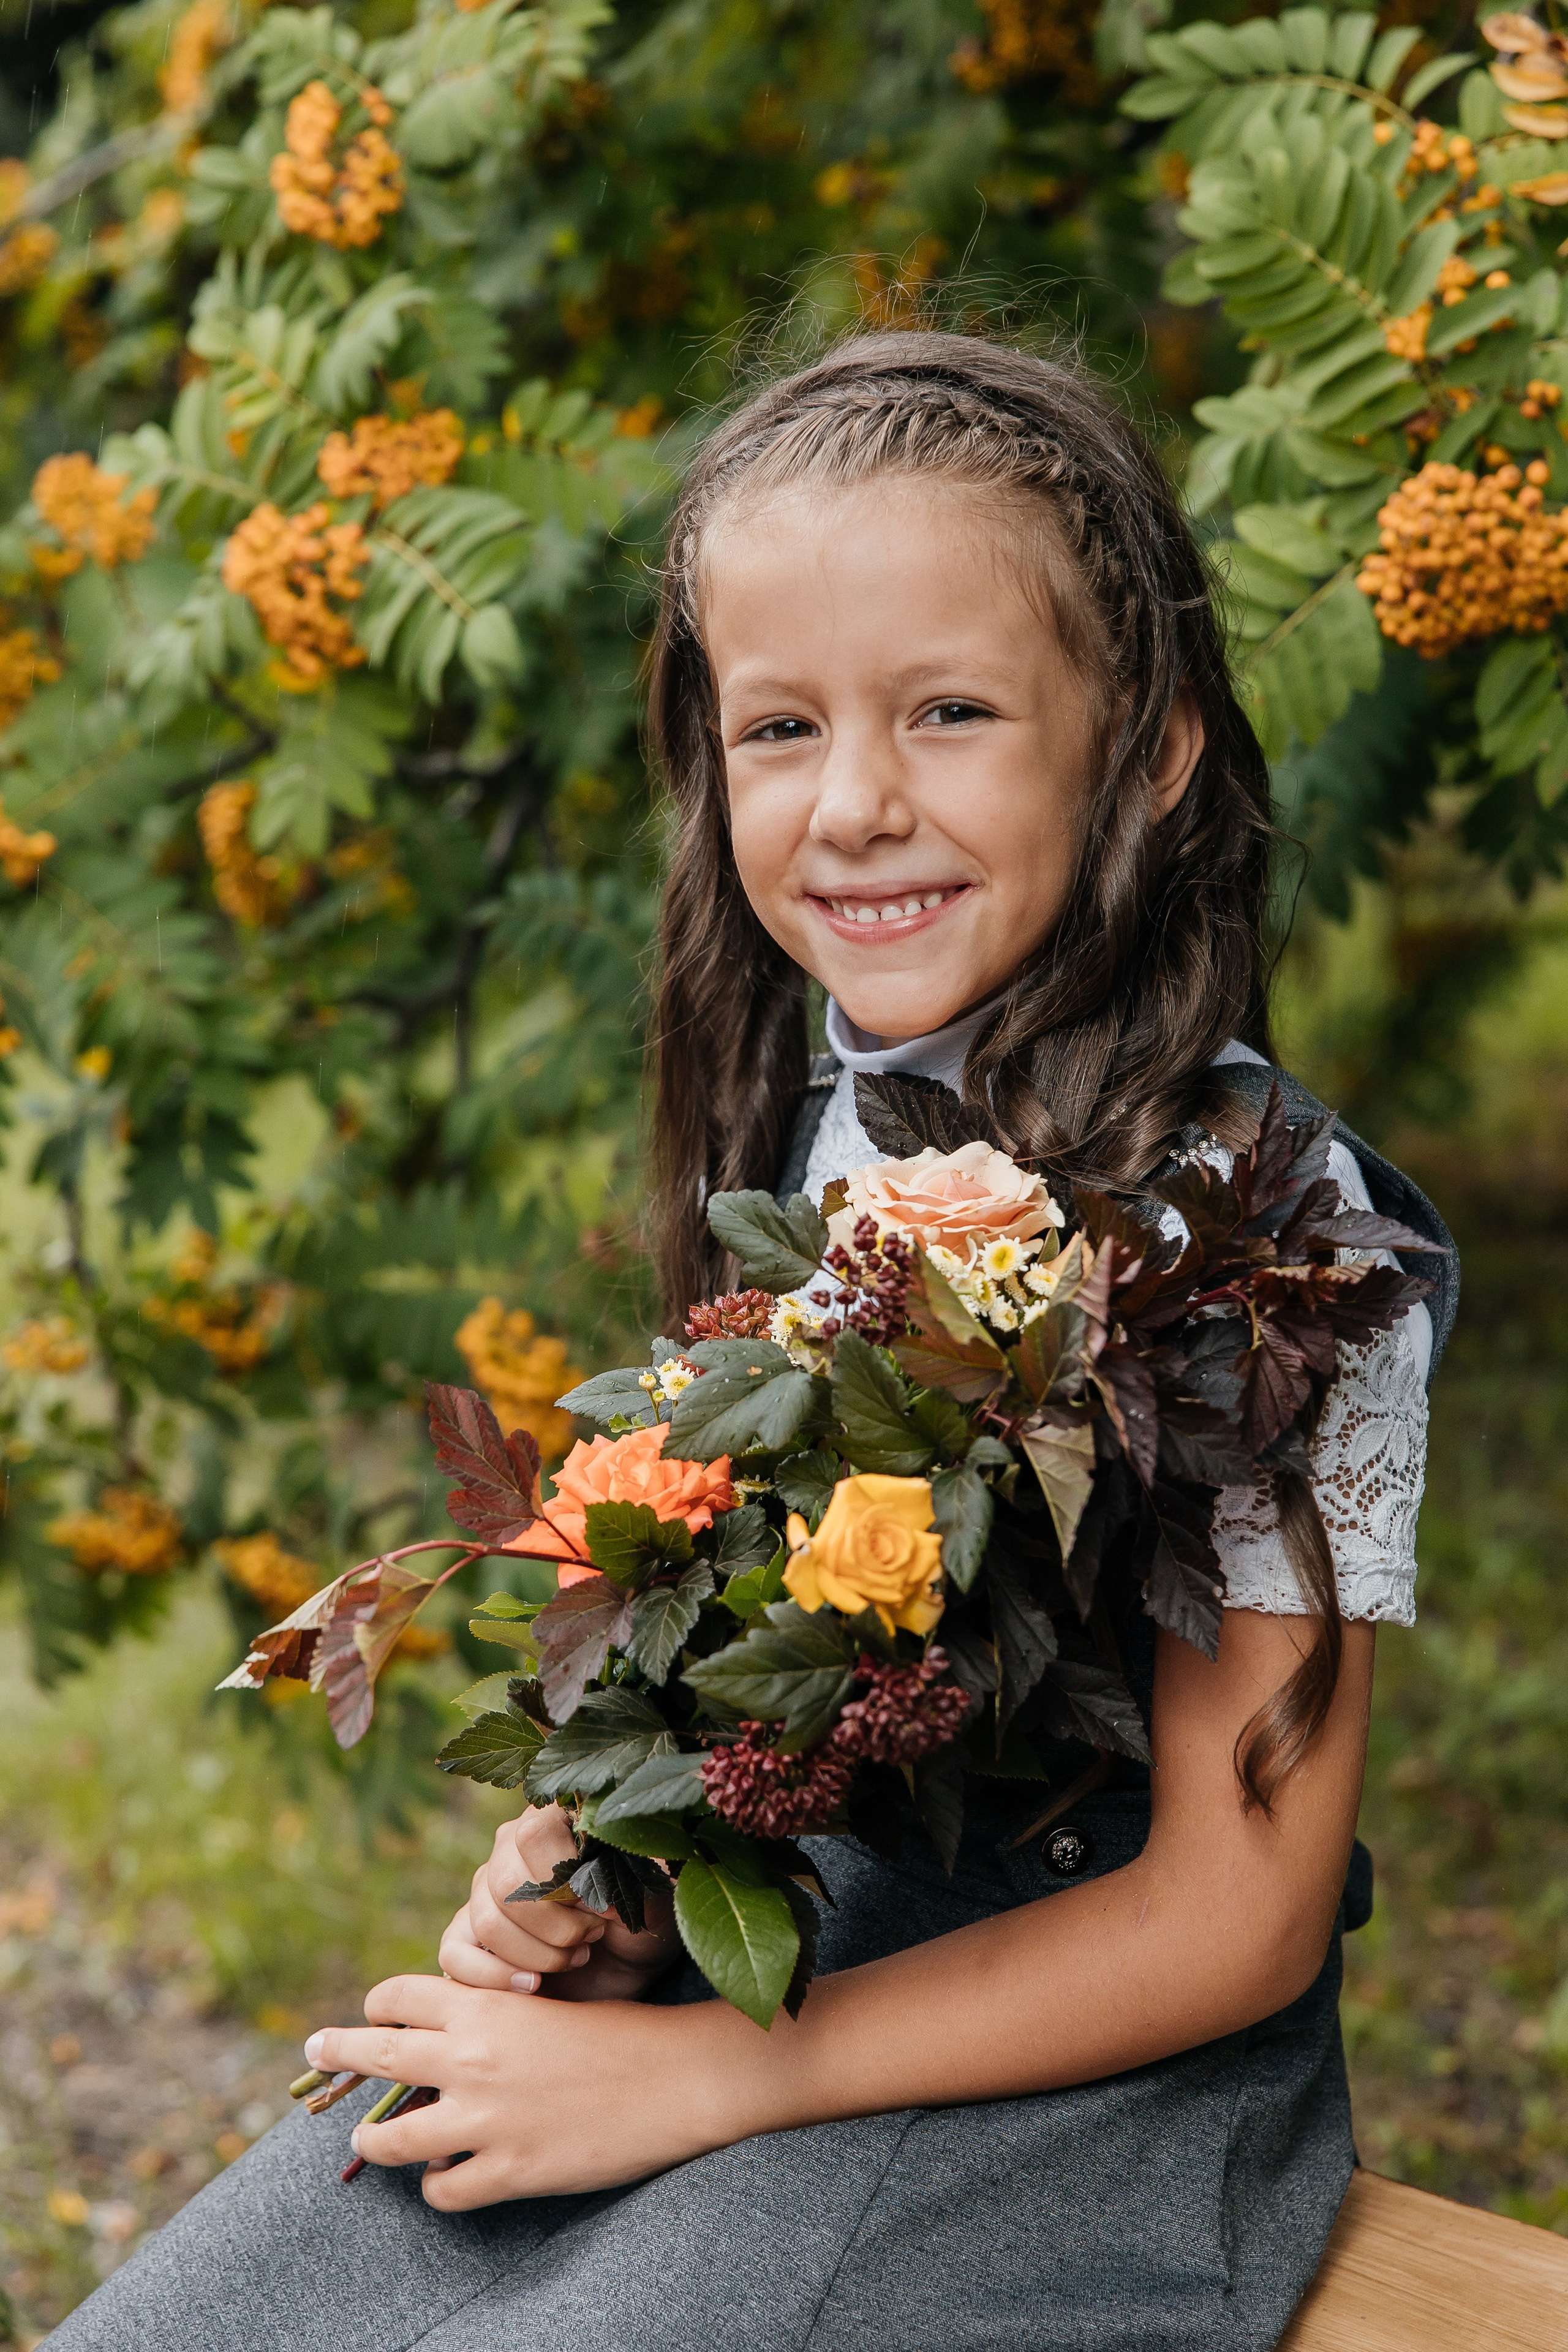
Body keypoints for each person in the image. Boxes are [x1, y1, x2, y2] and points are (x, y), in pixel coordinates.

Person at [51, 331, 1455, 2352]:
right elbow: (760, 1643)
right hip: (776, 1955)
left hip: (1084, 2069)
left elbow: (1235, 1920)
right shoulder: (815, 1111)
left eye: (952, 711)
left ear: (1145, 742)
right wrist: (599, 1871)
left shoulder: (1279, 1246)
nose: (858, 805)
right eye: (780, 727)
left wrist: (709, 2079)